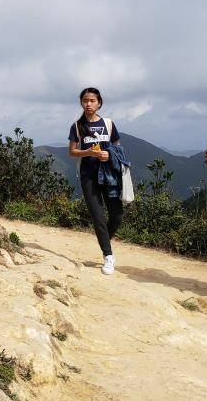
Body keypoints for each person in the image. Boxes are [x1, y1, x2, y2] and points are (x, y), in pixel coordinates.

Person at [68, 87, 123, 275]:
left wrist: (109, 154)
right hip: (88, 175)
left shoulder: (108, 123)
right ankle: (108, 256)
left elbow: (118, 147)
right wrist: (89, 152)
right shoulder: (77, 126)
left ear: (99, 103)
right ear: (81, 103)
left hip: (109, 174)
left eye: (92, 100)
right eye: (85, 100)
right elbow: (72, 151)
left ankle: (103, 238)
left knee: (117, 215)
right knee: (98, 216)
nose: (88, 104)